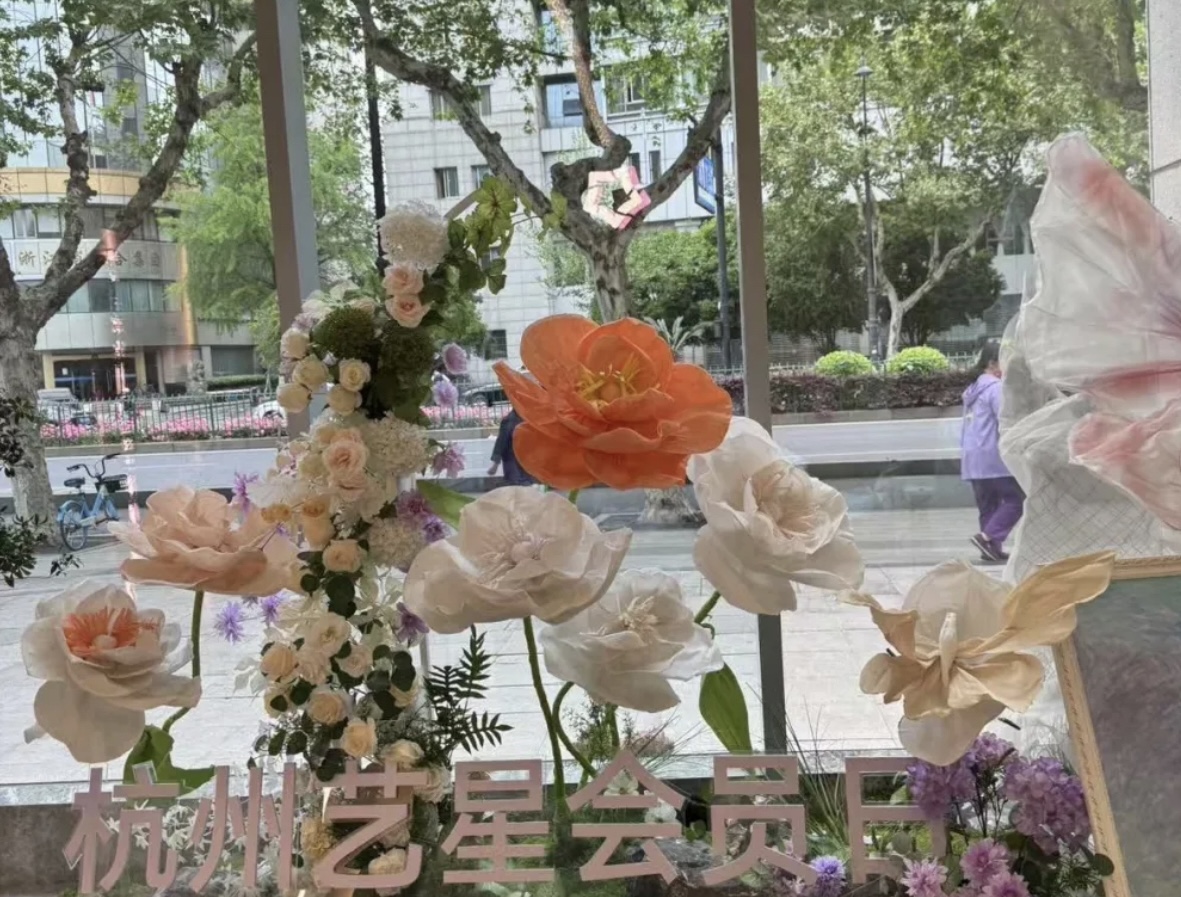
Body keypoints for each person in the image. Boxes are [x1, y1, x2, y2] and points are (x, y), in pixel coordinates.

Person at [961, 339, 1024, 562]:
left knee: (988, 505)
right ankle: (987, 537)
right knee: (1017, 500)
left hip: (973, 457)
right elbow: (1005, 420)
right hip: (993, 455)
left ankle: (990, 548)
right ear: (992, 363)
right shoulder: (996, 388)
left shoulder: (973, 389)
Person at [487, 408, 537, 486]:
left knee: (522, 484)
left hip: (523, 461)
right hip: (514, 460)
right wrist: (495, 464)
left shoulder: (527, 418)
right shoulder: (511, 420)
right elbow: (501, 442)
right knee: (519, 484)